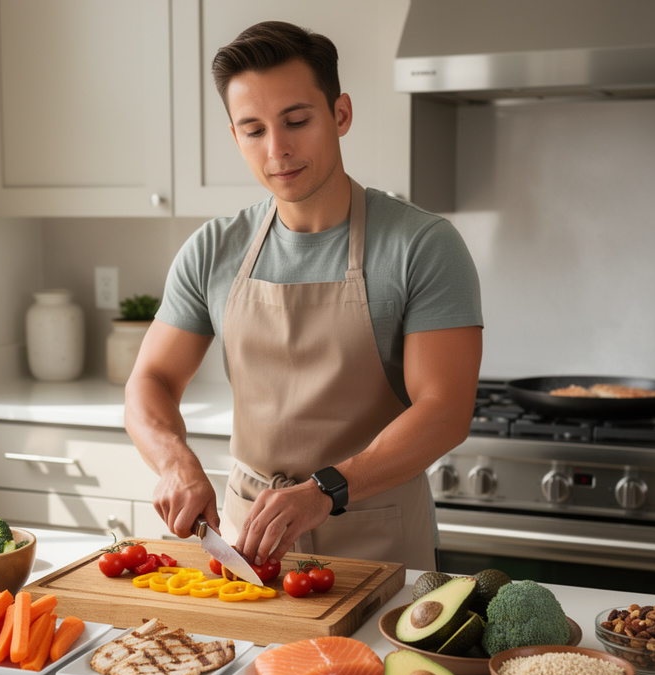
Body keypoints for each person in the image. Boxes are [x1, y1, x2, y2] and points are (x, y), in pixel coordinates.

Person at [123, 20, 482, 572]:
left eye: (296, 121)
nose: (278, 149)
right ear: (235, 136)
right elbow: (151, 380)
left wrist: (325, 488)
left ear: (340, 114)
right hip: (251, 544)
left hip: (378, 544)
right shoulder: (213, 249)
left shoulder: (423, 246)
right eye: (253, 130)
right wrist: (175, 463)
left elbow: (445, 410)